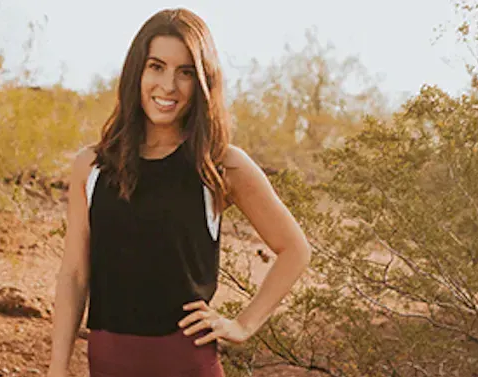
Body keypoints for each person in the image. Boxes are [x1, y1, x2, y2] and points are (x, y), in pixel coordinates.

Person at [47, 7, 312, 377]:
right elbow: (74, 274)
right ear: (136, 72)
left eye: (185, 73)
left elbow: (295, 249)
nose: (168, 86)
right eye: (156, 67)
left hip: (187, 364)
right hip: (107, 364)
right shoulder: (91, 166)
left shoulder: (219, 165)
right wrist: (57, 368)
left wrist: (242, 325)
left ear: (202, 82)